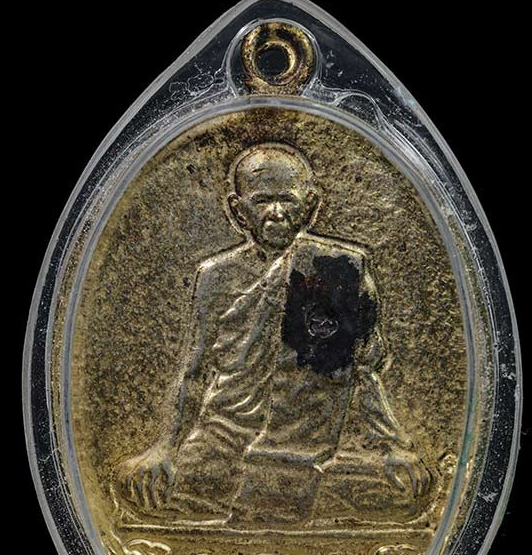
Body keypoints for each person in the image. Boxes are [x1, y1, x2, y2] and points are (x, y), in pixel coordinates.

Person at [120, 143, 430, 525]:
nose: (277, 212)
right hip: (225, 440)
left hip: (305, 445)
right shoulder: (216, 276)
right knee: (138, 487)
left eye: (288, 200)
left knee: (404, 489)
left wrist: (394, 446)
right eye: (262, 201)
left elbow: (364, 371)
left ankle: (263, 501)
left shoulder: (341, 269)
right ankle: (264, 501)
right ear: (238, 210)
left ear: (310, 205)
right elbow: (194, 373)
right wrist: (165, 449)